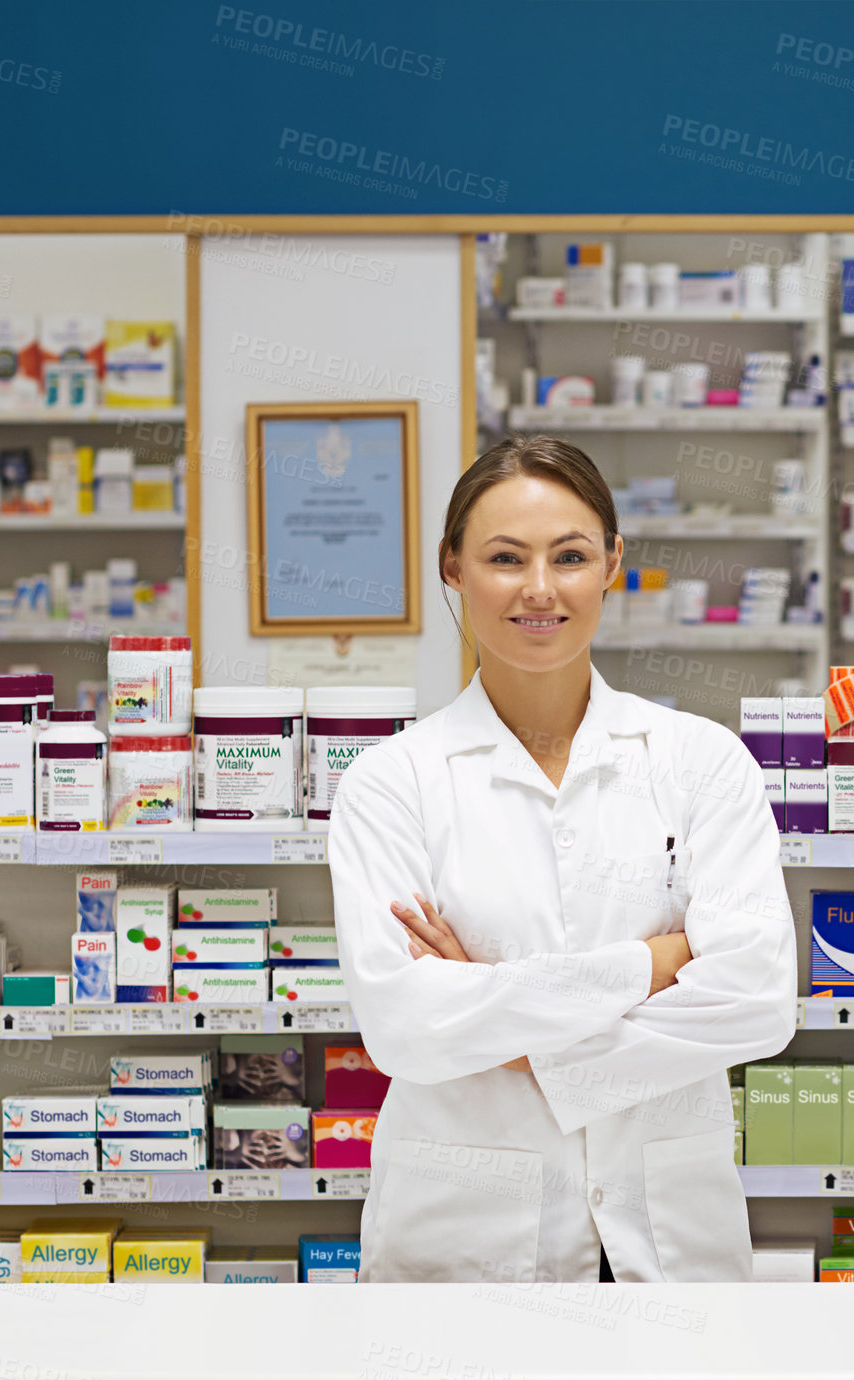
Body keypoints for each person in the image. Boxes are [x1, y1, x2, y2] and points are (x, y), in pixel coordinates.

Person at [327, 434, 797, 1283]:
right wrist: (658, 961)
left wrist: (502, 1026)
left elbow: (758, 1001)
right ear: (454, 569)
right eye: (505, 558)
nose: (539, 589)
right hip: (466, 1248)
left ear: (613, 564)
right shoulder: (392, 783)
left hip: (671, 1235)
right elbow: (407, 1027)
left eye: (570, 556)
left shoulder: (702, 761)